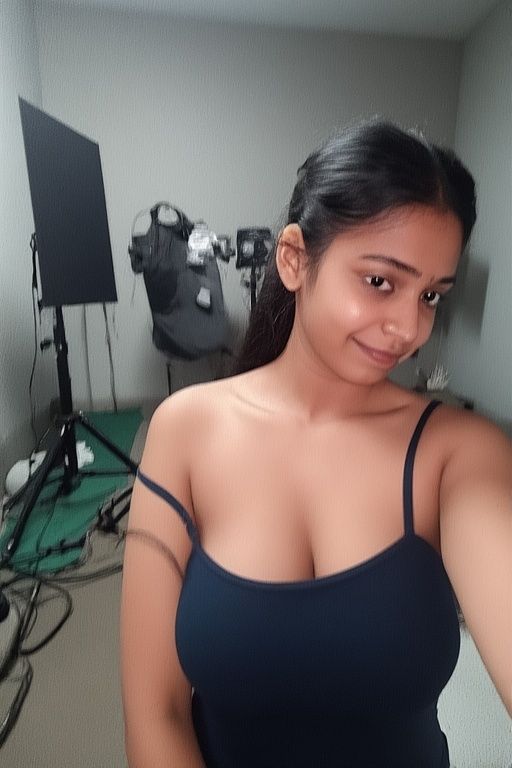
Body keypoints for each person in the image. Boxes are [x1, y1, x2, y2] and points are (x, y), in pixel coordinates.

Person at [120, 119, 512, 768]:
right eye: (381, 281)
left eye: (430, 295)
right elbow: (155, 708)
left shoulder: (459, 454)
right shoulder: (184, 430)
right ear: (295, 259)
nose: (410, 327)